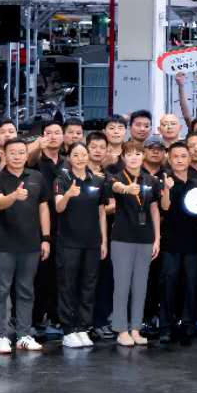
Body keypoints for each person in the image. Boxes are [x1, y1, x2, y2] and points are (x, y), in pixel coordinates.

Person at [0, 135, 52, 354]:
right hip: (4, 244)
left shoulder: (36, 176)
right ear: (3, 154)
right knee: (0, 291)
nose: (17, 156)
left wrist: (46, 238)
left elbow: (43, 207)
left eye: (21, 152)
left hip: (31, 243)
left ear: (27, 154)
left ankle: (24, 335)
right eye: (12, 153)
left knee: (26, 290)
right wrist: (14, 195)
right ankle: (0, 336)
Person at [106, 139, 162, 346]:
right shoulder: (116, 176)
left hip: (146, 238)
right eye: (129, 154)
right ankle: (121, 329)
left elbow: (155, 210)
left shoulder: (151, 180)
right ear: (123, 157)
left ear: (143, 156)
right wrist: (126, 189)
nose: (134, 158)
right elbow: (115, 187)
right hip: (122, 237)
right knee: (122, 285)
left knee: (141, 285)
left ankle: (136, 328)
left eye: (138, 154)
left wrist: (157, 238)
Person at [52, 141, 107, 349]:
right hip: (69, 242)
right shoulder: (62, 179)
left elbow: (102, 212)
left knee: (88, 285)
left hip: (92, 242)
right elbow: (58, 208)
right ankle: (68, 330)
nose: (80, 158)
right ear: (69, 157)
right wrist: (68, 194)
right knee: (68, 286)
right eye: (75, 154)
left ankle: (83, 327)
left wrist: (103, 240)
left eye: (83, 154)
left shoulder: (98, 180)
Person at [157, 144, 197, 345]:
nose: (179, 160)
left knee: (191, 284)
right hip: (171, 240)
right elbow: (164, 207)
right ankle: (166, 326)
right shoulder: (164, 180)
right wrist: (166, 189)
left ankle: (188, 323)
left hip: (193, 240)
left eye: (183, 156)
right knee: (169, 283)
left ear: (189, 158)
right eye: (175, 156)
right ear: (169, 159)